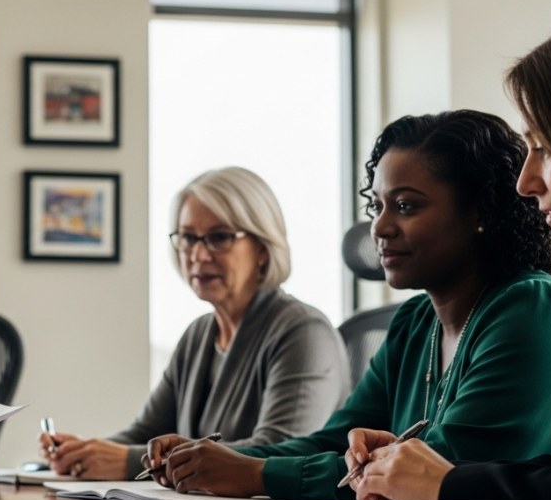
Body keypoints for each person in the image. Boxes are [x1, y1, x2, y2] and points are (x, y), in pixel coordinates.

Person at [143, 109, 551, 500]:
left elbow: (449, 466)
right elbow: (333, 438)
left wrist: (255, 474)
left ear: (480, 213)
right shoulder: (414, 322)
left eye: (405, 206)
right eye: (376, 205)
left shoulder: (537, 310)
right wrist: (218, 460)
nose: (379, 228)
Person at [348, 4, 551, 500]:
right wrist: (414, 470)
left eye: (545, 147)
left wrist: (446, 483)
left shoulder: (536, 306)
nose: (526, 182)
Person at [39, 166, 351, 480]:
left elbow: (280, 449)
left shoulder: (304, 332)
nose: (198, 255)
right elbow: (145, 433)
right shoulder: (199, 334)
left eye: (218, 237)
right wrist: (85, 453)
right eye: (188, 237)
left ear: (262, 247)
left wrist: (127, 462)